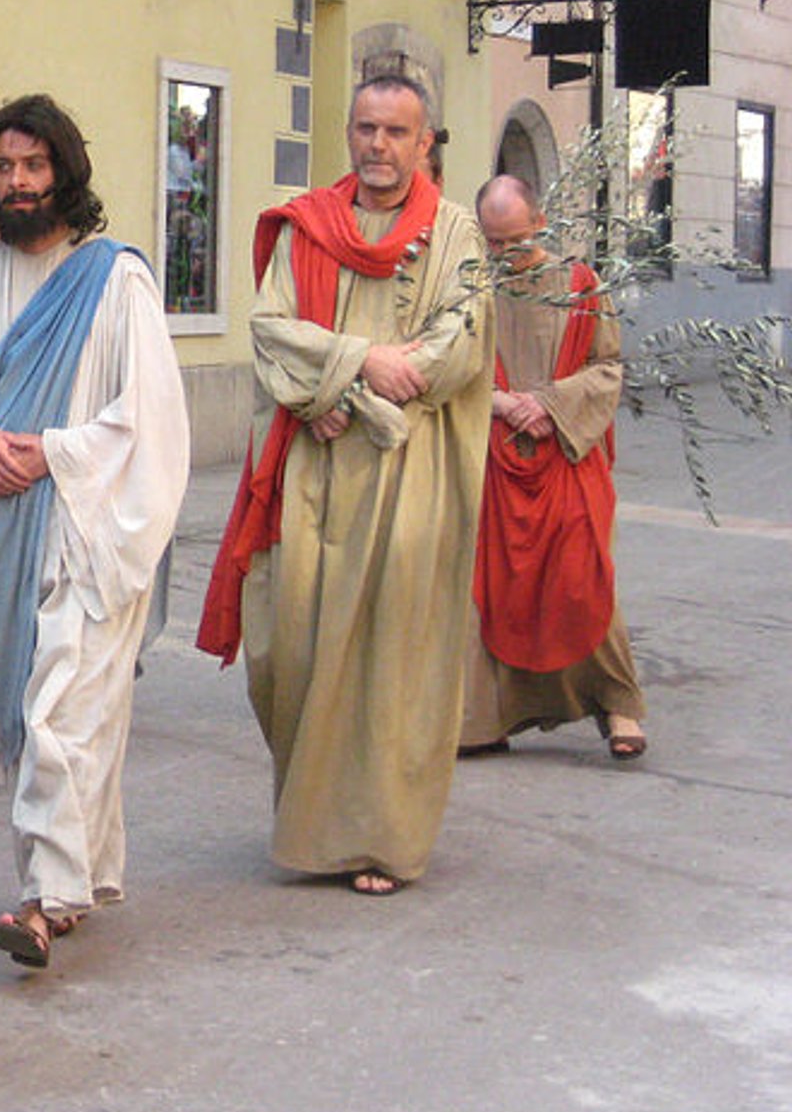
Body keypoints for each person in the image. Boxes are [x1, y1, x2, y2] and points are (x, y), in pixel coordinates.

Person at [0, 93, 189, 968]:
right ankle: (79, 877)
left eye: (33, 166)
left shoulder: (117, 280)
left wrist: (54, 455)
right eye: (4, 168)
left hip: (83, 527)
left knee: (62, 710)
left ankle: (43, 900)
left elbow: (147, 419)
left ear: (63, 172)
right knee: (32, 725)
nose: (19, 182)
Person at [198, 74, 492, 896]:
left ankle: (382, 840)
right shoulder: (308, 227)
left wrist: (336, 385)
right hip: (313, 468)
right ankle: (314, 821)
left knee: (390, 657)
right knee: (287, 647)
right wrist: (352, 371)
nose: (378, 146)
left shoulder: (455, 234)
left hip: (408, 471)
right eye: (365, 128)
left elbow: (455, 347)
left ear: (425, 142)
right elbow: (269, 331)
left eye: (397, 132)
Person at [460, 174, 647, 760]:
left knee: (582, 575)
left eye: (513, 242)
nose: (503, 256)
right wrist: (499, 402)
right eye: (492, 243)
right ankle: (485, 718)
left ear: (540, 223)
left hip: (566, 454)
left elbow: (608, 368)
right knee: (487, 587)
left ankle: (619, 705)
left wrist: (549, 403)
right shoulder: (469, 290)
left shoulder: (583, 287)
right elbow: (450, 365)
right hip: (493, 452)